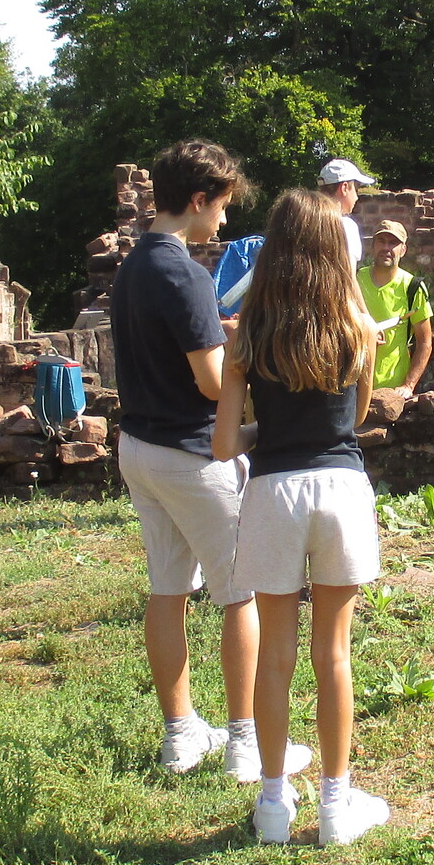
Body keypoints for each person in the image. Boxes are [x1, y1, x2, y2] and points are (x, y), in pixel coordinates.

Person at [108, 140, 308, 782]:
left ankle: (181, 734)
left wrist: (216, 333)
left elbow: (168, 345)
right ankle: (246, 743)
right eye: (221, 206)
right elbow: (212, 383)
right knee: (240, 593)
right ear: (198, 200)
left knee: (168, 590)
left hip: (139, 447)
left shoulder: (134, 265)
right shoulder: (187, 274)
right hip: (192, 456)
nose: (223, 219)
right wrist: (248, 358)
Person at [212, 188, 389, 847]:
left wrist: (269, 433)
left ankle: (272, 805)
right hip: (341, 488)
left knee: (275, 657)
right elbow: (356, 416)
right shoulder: (355, 327)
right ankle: (337, 806)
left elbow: (224, 445)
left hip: (272, 495)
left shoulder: (248, 336)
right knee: (333, 654)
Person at [358, 221, 433, 400]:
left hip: (392, 391)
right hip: (353, 385)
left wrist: (409, 385)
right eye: (381, 241)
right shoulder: (354, 279)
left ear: (403, 250)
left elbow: (425, 342)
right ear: (372, 246)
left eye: (393, 243)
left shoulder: (412, 287)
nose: (386, 248)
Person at [317, 157, 375, 265]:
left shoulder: (306, 221)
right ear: (344, 188)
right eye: (355, 189)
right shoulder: (347, 226)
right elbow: (348, 272)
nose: (356, 197)